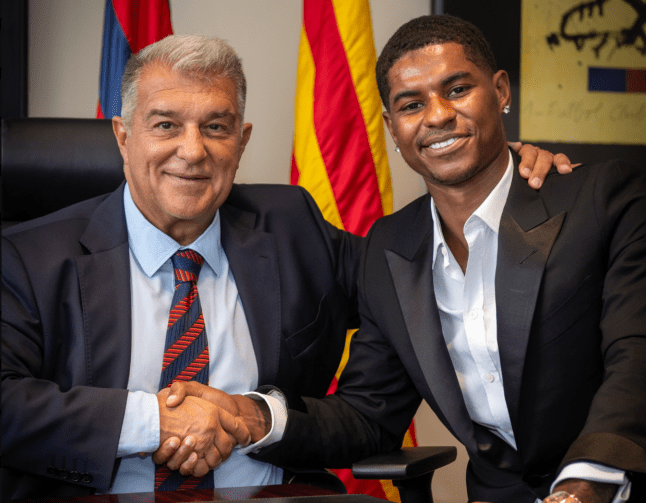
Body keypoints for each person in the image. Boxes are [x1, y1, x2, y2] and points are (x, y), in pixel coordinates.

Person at [1, 33, 568, 498]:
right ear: (124, 137)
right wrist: (155, 421)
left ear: (242, 141)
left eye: (216, 127)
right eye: (166, 125)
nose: (193, 151)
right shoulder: (29, 257)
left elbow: (420, 270)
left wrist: (502, 178)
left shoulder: (292, 226)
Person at [168, 16, 646, 503]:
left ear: (501, 91)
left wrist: (583, 485)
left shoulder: (604, 199)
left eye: (457, 90)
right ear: (392, 128)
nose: (437, 115)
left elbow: (635, 358)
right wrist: (253, 417)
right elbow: (369, 414)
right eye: (412, 104)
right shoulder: (390, 246)